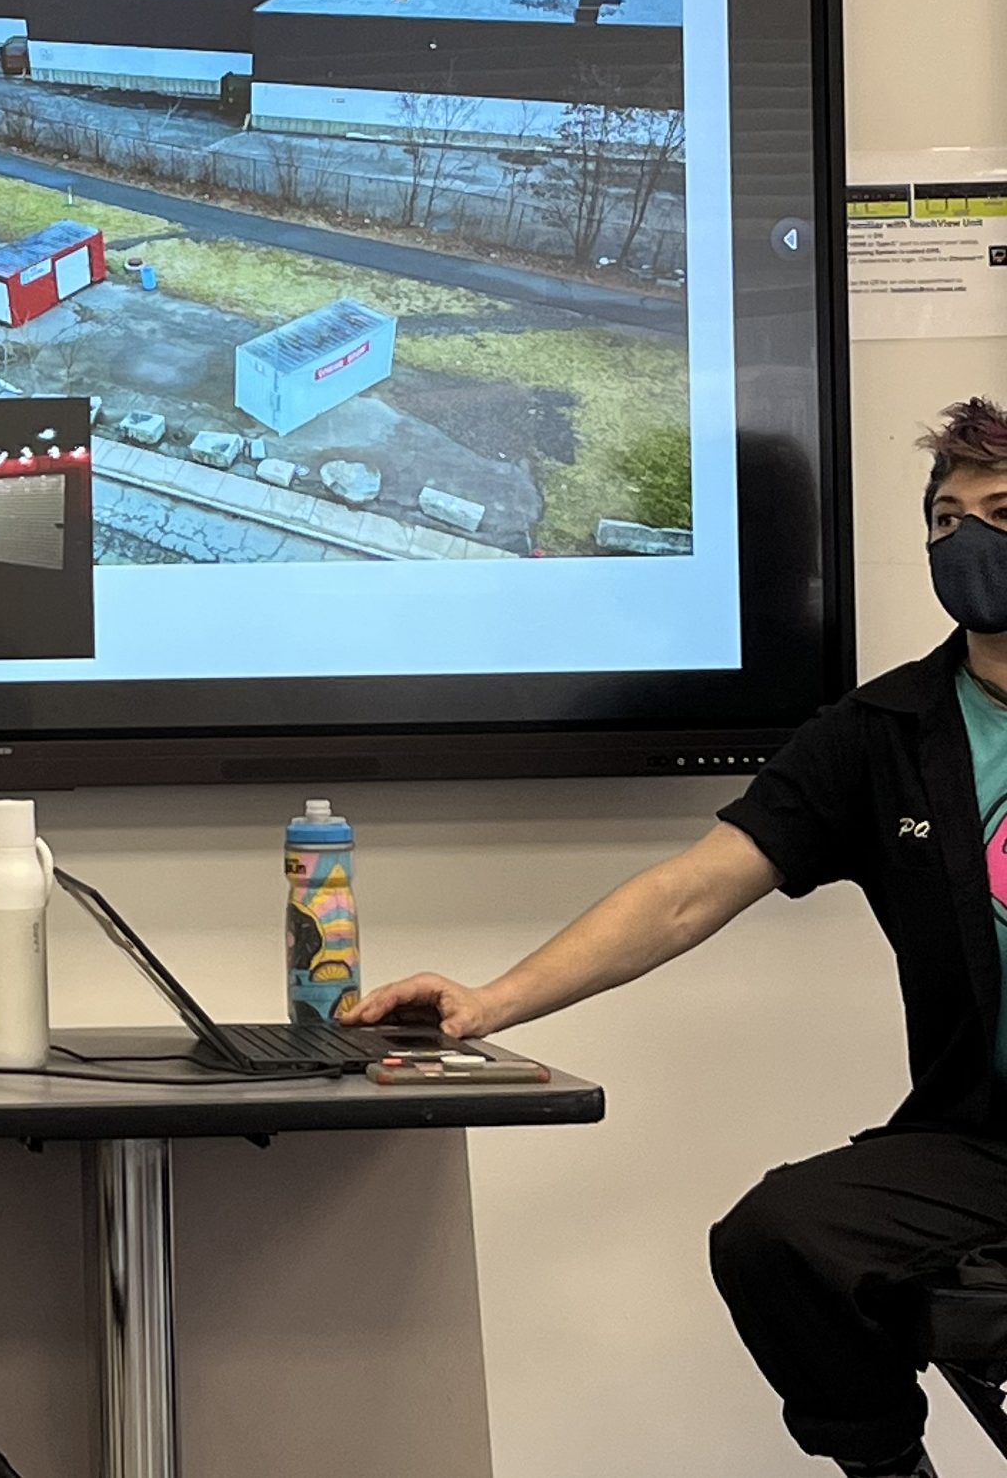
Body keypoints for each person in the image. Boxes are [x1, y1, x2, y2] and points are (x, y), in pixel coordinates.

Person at [359, 398, 1007, 1478]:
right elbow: (688, 893)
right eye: (946, 520)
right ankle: (892, 1468)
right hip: (982, 1139)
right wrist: (488, 1003)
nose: (968, 541)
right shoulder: (884, 734)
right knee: (777, 1238)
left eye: (998, 510)